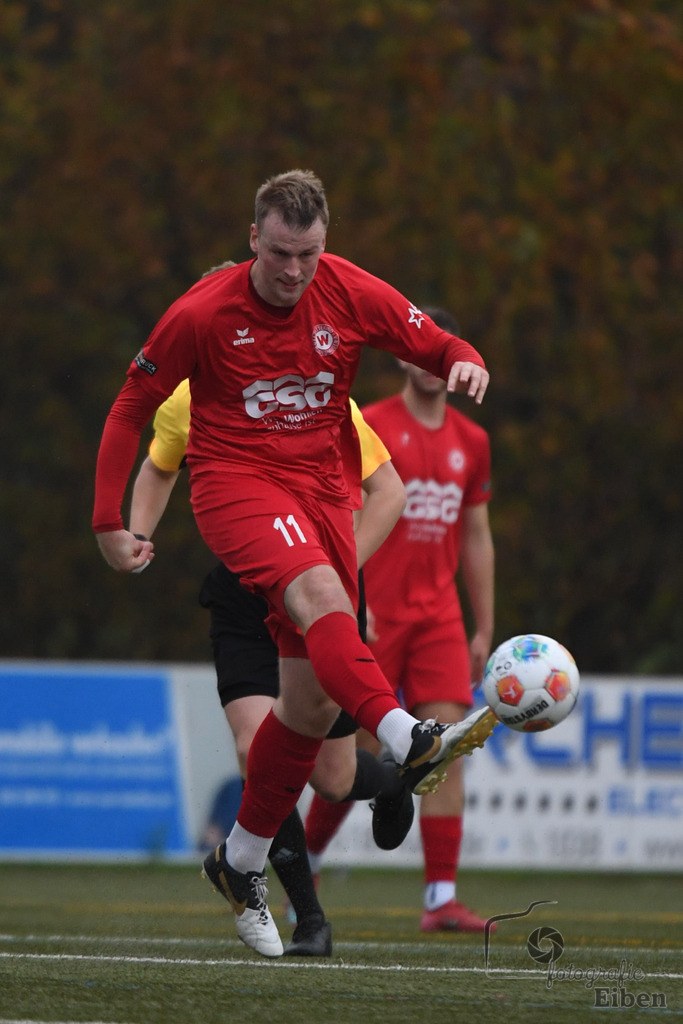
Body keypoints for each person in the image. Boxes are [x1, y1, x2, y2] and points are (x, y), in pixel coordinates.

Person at [92, 169, 495, 958]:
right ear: (253, 239)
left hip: (319, 494)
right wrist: (110, 522)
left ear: (324, 243)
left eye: (307, 253)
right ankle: (407, 734)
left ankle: (239, 861)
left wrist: (463, 358)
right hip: (238, 487)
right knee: (318, 595)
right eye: (279, 252)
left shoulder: (344, 289)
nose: (292, 270)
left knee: (308, 713)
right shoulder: (202, 312)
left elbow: (428, 339)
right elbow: (130, 409)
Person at [129, 376, 415, 957]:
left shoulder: (315, 385)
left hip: (315, 602)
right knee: (253, 746)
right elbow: (159, 466)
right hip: (242, 600)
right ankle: (308, 918)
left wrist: (336, 579)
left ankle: (391, 779)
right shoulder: (189, 395)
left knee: (333, 778)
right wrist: (136, 534)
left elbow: (389, 490)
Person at [303, 306, 497, 933]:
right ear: (403, 357)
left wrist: (482, 627)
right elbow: (342, 513)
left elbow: (476, 536)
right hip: (374, 615)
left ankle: (440, 898)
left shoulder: (473, 442)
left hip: (439, 618)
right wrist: (347, 603)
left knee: (448, 750)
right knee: (352, 755)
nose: (431, 364)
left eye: (441, 354)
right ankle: (298, 872)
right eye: (421, 351)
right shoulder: (372, 424)